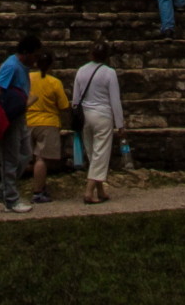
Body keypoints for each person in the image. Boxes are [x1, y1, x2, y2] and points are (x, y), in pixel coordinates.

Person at [0, 32, 40, 213]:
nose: (36, 59)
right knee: (10, 159)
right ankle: (11, 200)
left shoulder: (23, 67)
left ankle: (3, 190)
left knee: (25, 154)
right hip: (10, 117)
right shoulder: (11, 66)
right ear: (26, 53)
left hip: (20, 116)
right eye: (35, 55)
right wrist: (13, 104)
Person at [71, 42, 124, 205]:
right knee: (100, 153)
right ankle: (89, 190)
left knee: (92, 152)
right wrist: (120, 123)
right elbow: (115, 100)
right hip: (103, 114)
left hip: (85, 114)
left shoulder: (81, 70)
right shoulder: (109, 73)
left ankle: (100, 190)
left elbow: (75, 98)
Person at [26, 51, 70, 202]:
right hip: (48, 122)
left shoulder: (28, 78)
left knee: (32, 157)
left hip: (28, 120)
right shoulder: (54, 82)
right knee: (41, 159)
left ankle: (38, 185)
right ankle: (38, 191)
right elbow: (64, 105)